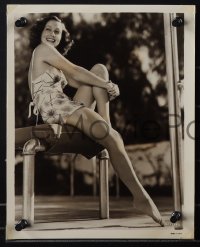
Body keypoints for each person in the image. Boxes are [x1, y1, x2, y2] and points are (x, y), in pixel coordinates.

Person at [28, 15, 164, 226]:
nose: (52, 34)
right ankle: (141, 197)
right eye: (48, 29)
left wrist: (104, 82)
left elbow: (77, 79)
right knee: (113, 135)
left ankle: (105, 126)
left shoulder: (52, 58)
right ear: (40, 32)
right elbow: (75, 71)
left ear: (62, 36)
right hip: (53, 107)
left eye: (57, 31)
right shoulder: (41, 50)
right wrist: (108, 86)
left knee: (99, 68)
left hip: (64, 104)